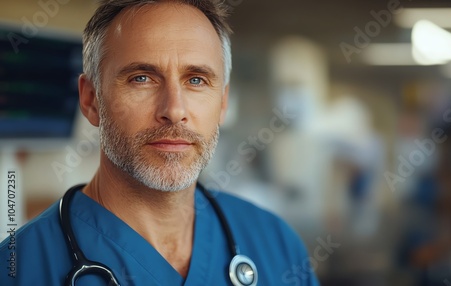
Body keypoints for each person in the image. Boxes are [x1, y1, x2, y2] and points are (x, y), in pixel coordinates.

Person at [0, 0, 320, 285]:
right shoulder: (18, 269)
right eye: (142, 78)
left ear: (222, 104)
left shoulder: (275, 244)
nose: (174, 110)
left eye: (196, 80)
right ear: (91, 99)